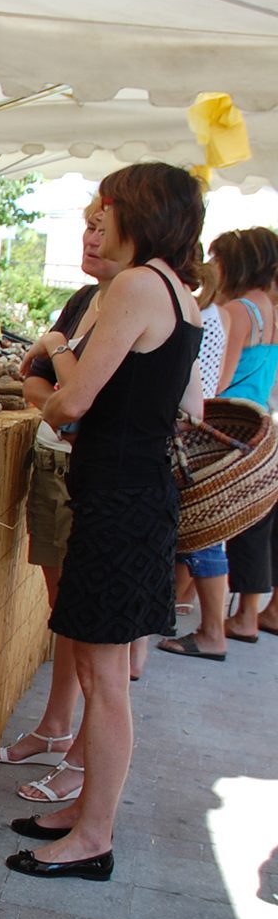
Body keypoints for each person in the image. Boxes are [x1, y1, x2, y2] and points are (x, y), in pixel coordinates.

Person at [6, 163, 205, 882]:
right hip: (134, 496)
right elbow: (188, 407)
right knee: (103, 668)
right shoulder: (178, 293)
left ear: (135, 211)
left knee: (104, 674)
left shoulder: (135, 286)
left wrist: (52, 353)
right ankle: (82, 811)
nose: (94, 220)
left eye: (103, 209)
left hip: (120, 502)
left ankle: (94, 837)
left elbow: (71, 403)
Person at [0, 198, 126, 809]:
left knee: (91, 629)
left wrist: (55, 357)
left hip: (94, 477)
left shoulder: (136, 301)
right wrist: (50, 375)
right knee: (62, 608)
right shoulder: (84, 300)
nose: (89, 236)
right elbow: (33, 377)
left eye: (102, 225)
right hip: (59, 462)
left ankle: (78, 760)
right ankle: (57, 727)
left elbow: (72, 396)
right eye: (88, 224)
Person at [158, 259, 233, 661]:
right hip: (214, 424)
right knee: (207, 534)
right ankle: (201, 622)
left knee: (202, 534)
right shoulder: (216, 313)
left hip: (195, 433)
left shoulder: (186, 310)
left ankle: (211, 632)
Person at [208, 227, 278, 642]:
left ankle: (231, 622)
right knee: (255, 521)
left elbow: (219, 378)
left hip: (228, 426)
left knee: (211, 528)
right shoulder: (269, 309)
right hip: (260, 425)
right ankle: (247, 613)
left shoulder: (237, 311)